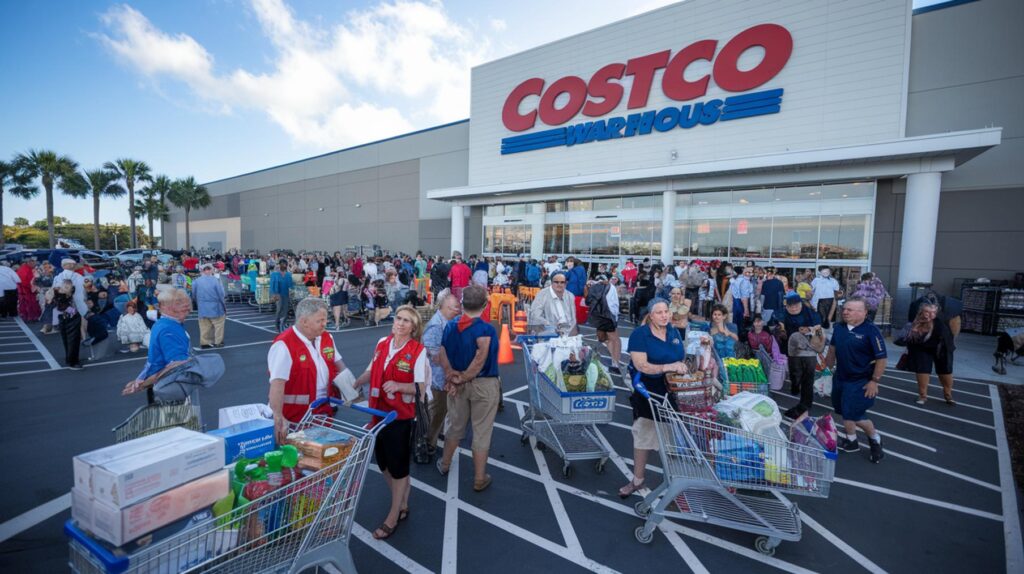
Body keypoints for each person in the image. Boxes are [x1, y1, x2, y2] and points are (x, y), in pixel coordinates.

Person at [352, 305, 427, 540]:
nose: (400, 323)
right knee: (384, 464)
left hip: (400, 418)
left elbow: (421, 389)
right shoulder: (382, 342)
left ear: (413, 328)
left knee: (398, 467)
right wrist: (353, 383)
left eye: (406, 321)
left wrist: (399, 386)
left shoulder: (417, 351)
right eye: (399, 318)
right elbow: (372, 370)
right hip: (378, 414)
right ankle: (402, 497)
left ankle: (394, 514)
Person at [435, 284, 501, 493]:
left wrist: (451, 376)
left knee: (455, 425)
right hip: (483, 384)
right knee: (481, 431)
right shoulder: (486, 328)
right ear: (485, 304)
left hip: (458, 383)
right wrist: (462, 377)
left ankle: (445, 464)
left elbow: (442, 352)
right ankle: (479, 478)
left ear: (463, 304)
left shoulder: (451, 325)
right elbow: (480, 357)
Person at [619, 299, 688, 498]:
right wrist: (669, 367)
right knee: (644, 435)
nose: (665, 315)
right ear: (650, 315)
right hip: (648, 392)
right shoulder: (640, 335)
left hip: (673, 391)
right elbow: (642, 366)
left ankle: (674, 484)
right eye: (659, 312)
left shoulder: (673, 332)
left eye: (666, 311)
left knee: (670, 439)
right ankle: (637, 480)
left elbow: (679, 356)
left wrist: (681, 367)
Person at [267, 297, 350, 442]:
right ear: (304, 322)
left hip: (323, 413)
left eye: (325, 319)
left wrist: (352, 392)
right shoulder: (284, 345)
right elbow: (277, 384)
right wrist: (278, 417)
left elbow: (339, 364)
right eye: (320, 321)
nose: (325, 324)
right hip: (296, 418)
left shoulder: (326, 337)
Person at [825, 296, 886, 463]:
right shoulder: (839, 328)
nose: (845, 312)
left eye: (850, 310)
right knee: (844, 411)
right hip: (840, 378)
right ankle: (851, 441)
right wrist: (826, 370)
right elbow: (832, 350)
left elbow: (881, 358)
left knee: (856, 415)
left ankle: (875, 440)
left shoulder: (871, 331)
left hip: (861, 381)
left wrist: (874, 380)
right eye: (844, 309)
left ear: (863, 313)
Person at [423, 289, 462, 454]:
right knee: (437, 410)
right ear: (445, 307)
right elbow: (434, 355)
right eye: (455, 308)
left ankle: (434, 435)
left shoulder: (445, 322)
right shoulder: (436, 326)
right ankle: (428, 443)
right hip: (438, 378)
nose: (458, 310)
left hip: (441, 376)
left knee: (442, 409)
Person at [898, 302, 956, 405]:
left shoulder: (941, 320)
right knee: (922, 369)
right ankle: (922, 395)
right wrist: (915, 330)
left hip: (941, 348)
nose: (930, 314)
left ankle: (948, 394)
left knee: (945, 371)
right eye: (927, 311)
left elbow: (950, 335)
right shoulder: (916, 321)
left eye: (933, 312)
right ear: (921, 311)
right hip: (922, 348)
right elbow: (905, 339)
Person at [779, 292, 823, 415]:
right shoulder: (783, 312)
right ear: (786, 306)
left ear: (800, 304)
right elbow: (779, 321)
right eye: (790, 306)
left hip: (808, 349)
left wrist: (809, 329)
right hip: (791, 348)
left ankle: (805, 405)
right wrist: (781, 329)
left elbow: (819, 327)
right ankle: (795, 384)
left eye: (796, 306)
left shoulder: (809, 312)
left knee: (808, 378)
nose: (793, 308)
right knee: (794, 372)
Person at [587, 275, 622, 373]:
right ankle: (614, 362)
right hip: (606, 315)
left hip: (601, 316)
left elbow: (588, 301)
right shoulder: (610, 287)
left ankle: (612, 362)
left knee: (608, 338)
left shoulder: (594, 286)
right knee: (612, 339)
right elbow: (614, 304)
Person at [193, 263, 227, 349]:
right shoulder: (215, 280)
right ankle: (218, 342)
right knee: (218, 325)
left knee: (204, 326)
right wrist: (224, 306)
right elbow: (221, 294)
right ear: (211, 270)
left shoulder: (196, 281)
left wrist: (197, 304)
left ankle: (205, 343)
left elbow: (193, 295)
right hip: (215, 307)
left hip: (202, 307)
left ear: (202, 271)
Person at [53, 279, 84, 369]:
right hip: (70, 319)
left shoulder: (62, 294)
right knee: (72, 341)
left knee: (68, 340)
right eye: (65, 286)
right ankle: (73, 362)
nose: (67, 288)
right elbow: (61, 306)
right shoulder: (60, 296)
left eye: (68, 286)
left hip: (65, 319)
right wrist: (74, 312)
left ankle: (70, 359)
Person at [810, 265, 840, 330]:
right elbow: (811, 292)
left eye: (828, 271)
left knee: (829, 323)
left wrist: (835, 302)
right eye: (824, 271)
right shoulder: (816, 280)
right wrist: (812, 304)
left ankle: (829, 337)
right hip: (818, 303)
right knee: (819, 322)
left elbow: (836, 294)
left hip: (831, 303)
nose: (826, 273)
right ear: (820, 272)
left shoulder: (833, 281)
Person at [269, 259, 293, 332]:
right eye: (282, 264)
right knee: (279, 309)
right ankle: (277, 323)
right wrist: (273, 294)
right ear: (279, 265)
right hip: (277, 294)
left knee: (285, 310)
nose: (284, 266)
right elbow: (272, 285)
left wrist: (292, 291)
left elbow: (291, 285)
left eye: (285, 264)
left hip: (286, 294)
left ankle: (283, 324)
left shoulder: (288, 274)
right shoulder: (274, 274)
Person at [16, 257, 40, 322]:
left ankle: (30, 317)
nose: (34, 264)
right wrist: (33, 287)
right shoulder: (24, 269)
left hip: (27, 290)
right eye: (33, 262)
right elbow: (24, 281)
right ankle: (29, 317)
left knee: (30, 304)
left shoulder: (27, 268)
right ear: (29, 262)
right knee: (28, 304)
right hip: (26, 291)